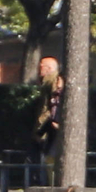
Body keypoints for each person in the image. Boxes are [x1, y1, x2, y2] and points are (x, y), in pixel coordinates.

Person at [33, 55, 64, 184]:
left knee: (48, 160)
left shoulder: (53, 81)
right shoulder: (48, 81)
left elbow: (52, 105)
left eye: (42, 67)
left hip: (49, 126)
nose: (39, 70)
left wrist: (42, 126)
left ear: (49, 68)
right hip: (47, 125)